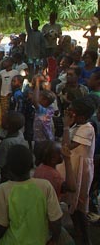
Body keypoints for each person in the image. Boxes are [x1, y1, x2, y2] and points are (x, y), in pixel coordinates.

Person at [0, 144, 63, 245]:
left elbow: (1, 225)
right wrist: (54, 240)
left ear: (9, 169)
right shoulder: (45, 186)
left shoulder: (4, 189)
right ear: (31, 165)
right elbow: (56, 221)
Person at [58, 96, 96, 244]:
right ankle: (78, 231)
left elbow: (66, 147)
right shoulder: (77, 125)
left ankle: (84, 237)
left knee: (80, 203)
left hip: (80, 170)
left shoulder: (87, 128)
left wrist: (66, 126)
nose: (68, 113)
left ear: (81, 116)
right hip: (72, 167)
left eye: (71, 111)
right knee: (71, 201)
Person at [0, 111, 28, 182]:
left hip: (8, 173)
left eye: (3, 119)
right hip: (18, 169)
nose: (1, 120)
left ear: (7, 126)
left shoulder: (6, 143)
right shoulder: (19, 134)